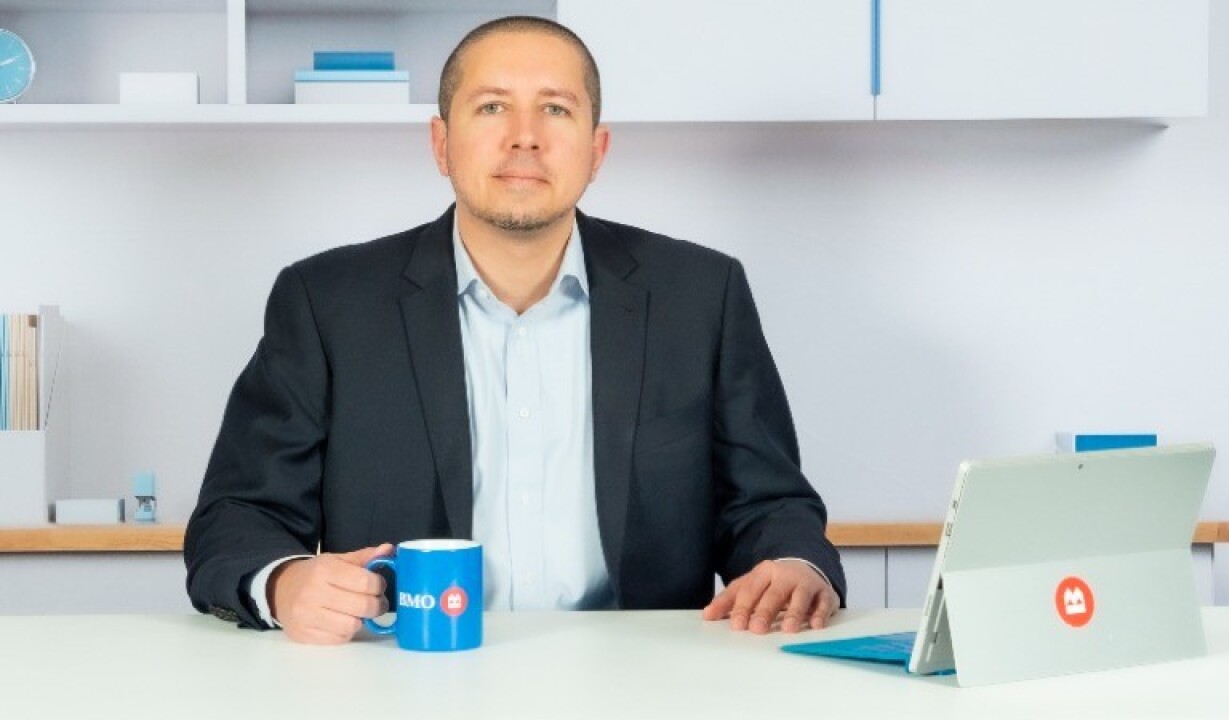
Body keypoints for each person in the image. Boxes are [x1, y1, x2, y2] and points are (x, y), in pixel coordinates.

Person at [184, 15, 846, 645]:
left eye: (556, 108)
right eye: (492, 107)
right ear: (441, 143)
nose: (524, 136)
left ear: (597, 149)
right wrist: (285, 583)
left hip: (646, 678)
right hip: (409, 671)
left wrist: (794, 564)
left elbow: (767, 504)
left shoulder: (701, 295)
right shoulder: (327, 302)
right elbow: (238, 518)